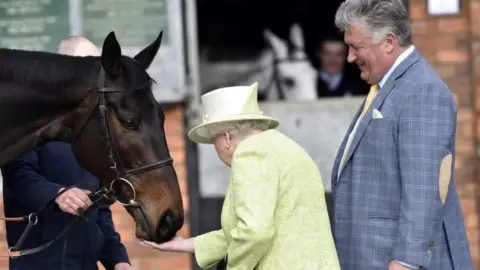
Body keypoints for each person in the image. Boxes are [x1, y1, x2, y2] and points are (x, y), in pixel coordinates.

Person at [331, 0, 473, 269]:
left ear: (389, 42)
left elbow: (424, 191)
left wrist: (405, 262)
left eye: (357, 47)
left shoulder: (422, 92)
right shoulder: (391, 86)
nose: (349, 57)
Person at [138, 83, 340, 269]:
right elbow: (248, 232)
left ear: (226, 138)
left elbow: (254, 232)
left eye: (213, 140)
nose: (215, 149)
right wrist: (185, 245)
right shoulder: (286, 148)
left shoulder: (249, 154)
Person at [1, 36, 133, 270]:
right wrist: (58, 194)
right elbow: (17, 175)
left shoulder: (94, 131)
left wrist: (118, 260)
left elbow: (100, 207)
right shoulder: (29, 118)